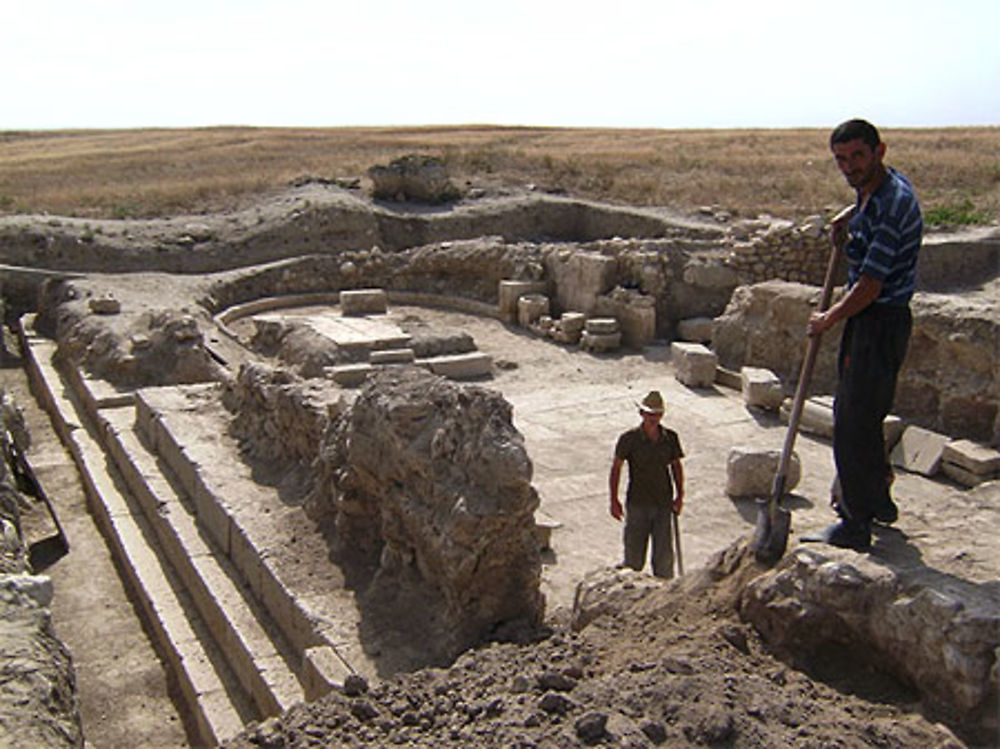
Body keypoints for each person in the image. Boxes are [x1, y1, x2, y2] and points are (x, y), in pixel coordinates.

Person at [806, 118, 922, 551]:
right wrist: (848, 218)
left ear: (879, 151)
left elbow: (870, 285)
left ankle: (855, 523)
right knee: (866, 416)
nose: (849, 167)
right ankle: (880, 503)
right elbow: (866, 205)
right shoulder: (876, 189)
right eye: (841, 159)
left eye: (857, 156)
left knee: (851, 422)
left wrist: (828, 318)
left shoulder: (893, 204)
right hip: (875, 319)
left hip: (879, 320)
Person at [609, 390, 685, 577]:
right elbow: (616, 468)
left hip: (663, 503)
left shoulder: (670, 438)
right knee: (633, 558)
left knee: (664, 557)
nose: (653, 418)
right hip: (637, 503)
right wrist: (614, 500)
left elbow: (676, 466)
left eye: (657, 414)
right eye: (650, 414)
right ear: (642, 414)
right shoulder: (629, 439)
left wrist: (680, 496)